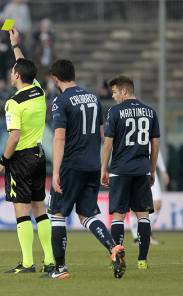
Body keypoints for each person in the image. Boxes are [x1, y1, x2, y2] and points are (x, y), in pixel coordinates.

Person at [41, 59, 125, 279]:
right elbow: (100, 133)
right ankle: (113, 247)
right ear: (75, 75)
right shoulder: (93, 98)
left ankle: (60, 269)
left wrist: (57, 171)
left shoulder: (61, 100)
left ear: (55, 79)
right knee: (87, 213)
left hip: (71, 163)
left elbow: (59, 140)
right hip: (92, 163)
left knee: (57, 214)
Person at [0, 28, 54, 274]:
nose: (11, 74)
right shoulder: (39, 90)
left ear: (16, 75)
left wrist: (2, 162)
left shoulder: (14, 102)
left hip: (21, 159)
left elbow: (14, 137)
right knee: (40, 209)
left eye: (12, 72)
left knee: (21, 210)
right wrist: (15, 44)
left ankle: (28, 263)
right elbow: (24, 66)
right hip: (40, 156)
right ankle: (50, 260)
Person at [101, 74, 160, 270]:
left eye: (115, 92)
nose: (114, 96)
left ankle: (117, 257)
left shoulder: (115, 111)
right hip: (142, 170)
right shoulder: (151, 112)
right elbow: (155, 145)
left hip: (120, 170)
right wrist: (151, 171)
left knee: (119, 215)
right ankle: (142, 261)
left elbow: (108, 143)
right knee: (143, 215)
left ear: (124, 91)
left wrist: (104, 169)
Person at [130, 147, 169, 246]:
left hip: (149, 171)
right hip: (133, 170)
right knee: (134, 206)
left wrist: (163, 170)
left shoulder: (148, 133)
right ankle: (136, 237)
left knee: (157, 203)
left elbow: (155, 149)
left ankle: (145, 234)